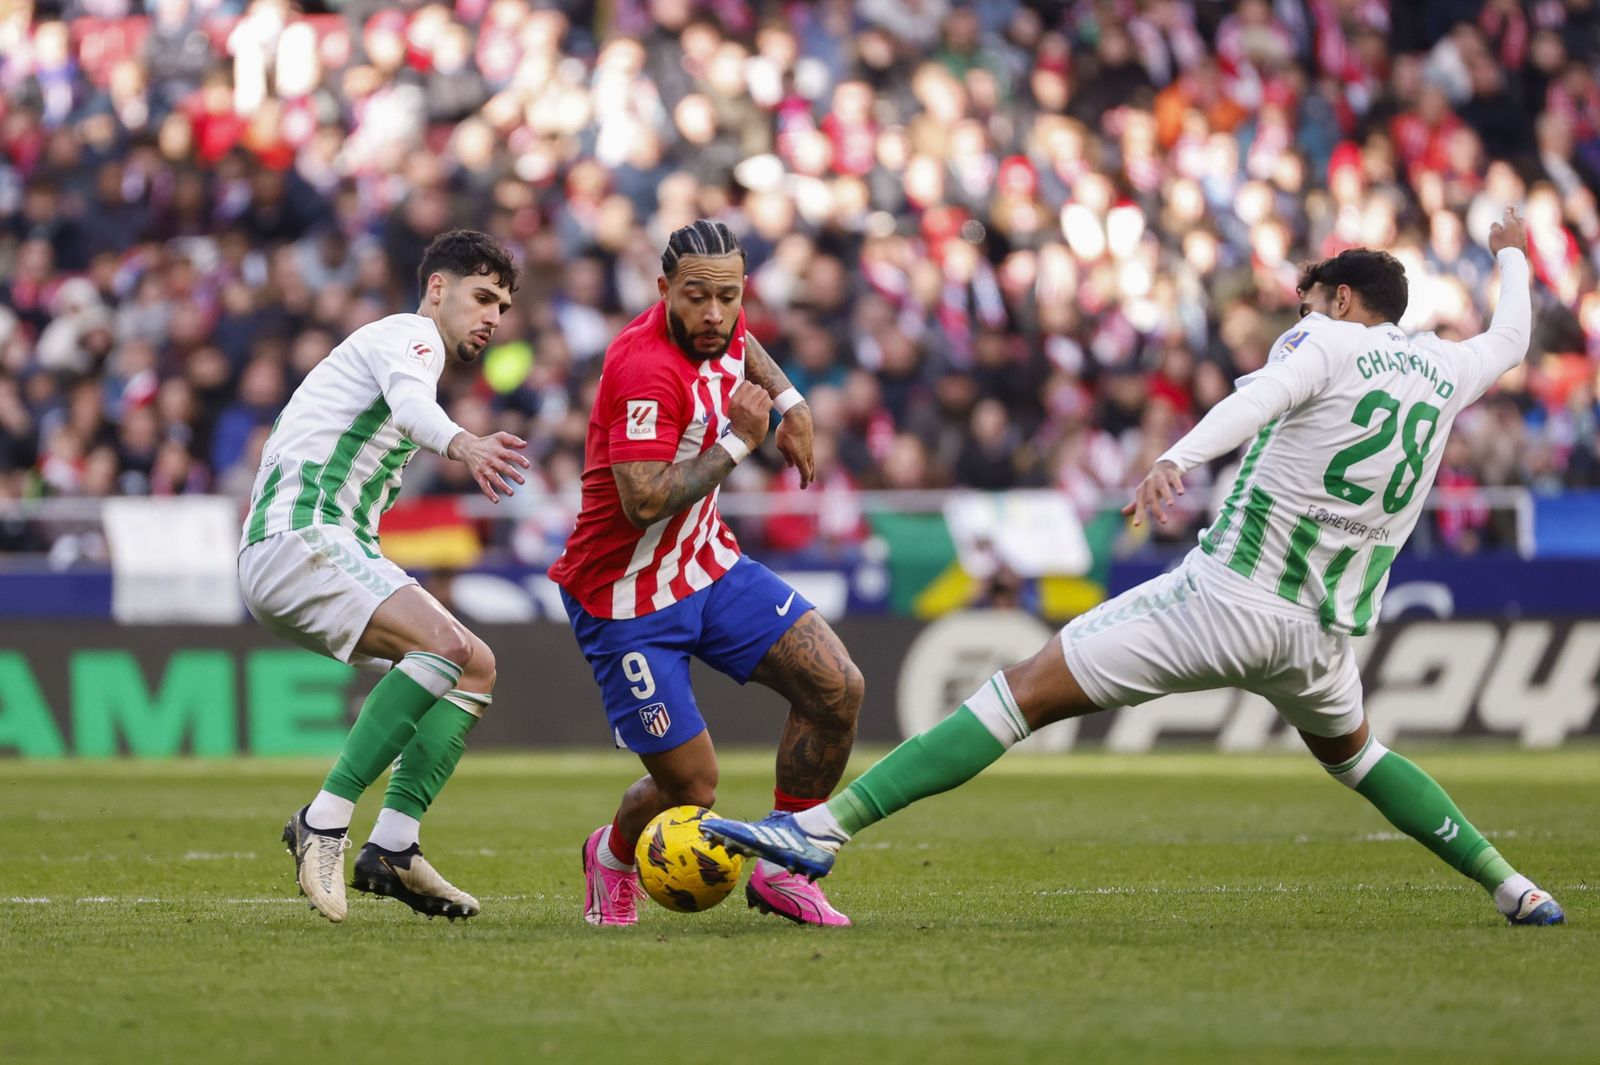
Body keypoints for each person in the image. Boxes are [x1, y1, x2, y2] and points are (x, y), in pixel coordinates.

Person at [705, 208, 1565, 928]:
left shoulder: (1328, 342)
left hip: (1225, 598)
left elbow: (1256, 398)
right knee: (1361, 758)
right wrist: (1514, 252)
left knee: (1021, 689)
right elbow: (1514, 337)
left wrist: (1177, 458)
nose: (1295, 317)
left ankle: (825, 828)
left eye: (1307, 299)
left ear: (1342, 299)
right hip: (1320, 635)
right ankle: (1511, 885)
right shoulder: (1447, 367)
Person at [549, 219, 865, 927]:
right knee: (692, 787)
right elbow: (642, 498)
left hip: (707, 564)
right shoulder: (642, 365)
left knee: (835, 685)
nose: (715, 314)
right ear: (664, 290)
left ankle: (786, 867)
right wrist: (740, 441)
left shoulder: (722, 320)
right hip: (624, 596)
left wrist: (792, 404)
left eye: (729, 295)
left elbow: (745, 345)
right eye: (697, 297)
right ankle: (612, 852)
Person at [238, 230, 530, 923]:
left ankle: (392, 849)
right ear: (438, 288)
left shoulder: (397, 347)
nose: (492, 316)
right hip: (301, 534)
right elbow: (411, 410)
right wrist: (463, 442)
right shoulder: (411, 336)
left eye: (503, 306)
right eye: (482, 296)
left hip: (315, 544)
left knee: (474, 665)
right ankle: (325, 818)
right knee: (446, 649)